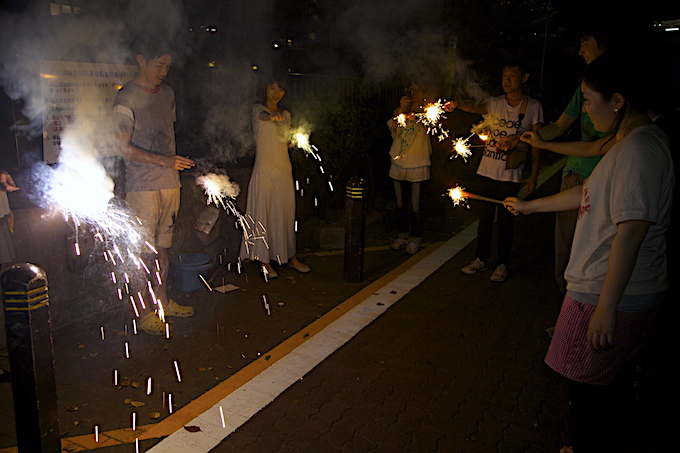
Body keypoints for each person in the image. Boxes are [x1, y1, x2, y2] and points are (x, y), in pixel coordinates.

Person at [504, 54, 672, 452]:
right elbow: (588, 192)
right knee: (600, 383)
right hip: (607, 288)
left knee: (586, 387)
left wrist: (606, 308)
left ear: (617, 100)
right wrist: (529, 206)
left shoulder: (638, 151)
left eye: (588, 99)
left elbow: (631, 232)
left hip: (606, 290)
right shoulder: (628, 142)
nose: (585, 109)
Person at [529, 22, 617, 294]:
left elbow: (595, 148)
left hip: (603, 178)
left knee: (595, 250)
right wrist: (533, 136)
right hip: (576, 174)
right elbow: (559, 128)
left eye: (585, 43)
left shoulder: (633, 140)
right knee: (566, 248)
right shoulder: (585, 86)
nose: (586, 108)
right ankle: (568, 306)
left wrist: (545, 145)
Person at [114, 43, 196, 335]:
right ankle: (144, 312)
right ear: (141, 60)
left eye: (167, 67)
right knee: (142, 252)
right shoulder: (126, 97)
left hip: (170, 184)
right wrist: (164, 160)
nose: (163, 72)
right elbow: (122, 146)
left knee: (163, 249)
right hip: (142, 187)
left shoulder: (168, 94)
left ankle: (162, 302)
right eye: (158, 65)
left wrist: (170, 165)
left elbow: (166, 131)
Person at [449, 61, 542, 282]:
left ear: (524, 78)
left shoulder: (533, 107)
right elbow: (474, 106)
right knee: (484, 220)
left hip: (510, 175)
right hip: (487, 171)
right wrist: (456, 103)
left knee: (506, 222)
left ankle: (502, 263)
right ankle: (481, 259)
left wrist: (534, 175)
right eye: (504, 76)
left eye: (511, 76)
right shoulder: (494, 103)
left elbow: (537, 144)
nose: (506, 80)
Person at [239, 76, 310, 278]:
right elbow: (264, 117)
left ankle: (290, 256)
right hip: (265, 171)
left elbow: (282, 141)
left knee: (285, 214)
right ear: (265, 89)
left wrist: (295, 142)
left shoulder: (286, 115)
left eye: (280, 89)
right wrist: (272, 116)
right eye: (272, 88)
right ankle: (264, 261)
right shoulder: (258, 110)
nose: (276, 92)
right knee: (264, 214)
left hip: (283, 171)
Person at [387, 82, 433, 255]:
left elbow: (431, 123)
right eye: (410, 90)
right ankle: (402, 236)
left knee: (416, 205)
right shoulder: (402, 110)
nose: (413, 93)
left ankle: (416, 238)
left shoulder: (428, 110)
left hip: (418, 162)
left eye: (416, 89)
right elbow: (393, 127)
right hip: (399, 162)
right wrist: (400, 110)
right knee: (400, 203)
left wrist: (418, 112)